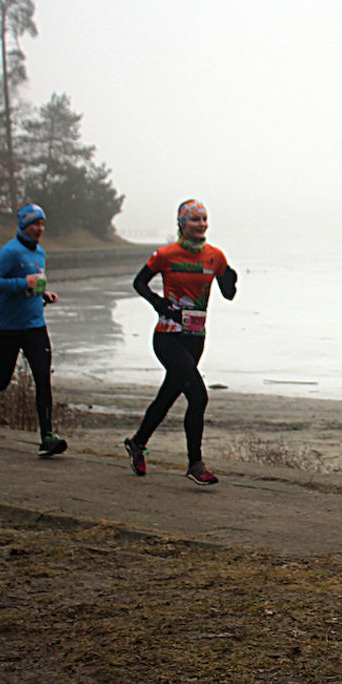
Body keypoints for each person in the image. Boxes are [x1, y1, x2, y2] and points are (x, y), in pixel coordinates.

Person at [123, 199, 237, 486]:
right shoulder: (166, 254)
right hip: (168, 337)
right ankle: (195, 464)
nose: (201, 224)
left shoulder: (216, 256)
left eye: (204, 219)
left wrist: (231, 279)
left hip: (195, 339)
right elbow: (139, 283)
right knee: (198, 396)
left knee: (169, 395)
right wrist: (158, 303)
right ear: (182, 224)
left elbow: (228, 293)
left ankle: (137, 443)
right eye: (195, 219)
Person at [0, 203, 67, 457]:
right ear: (23, 226)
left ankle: (47, 436)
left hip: (36, 327)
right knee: (2, 380)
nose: (39, 229)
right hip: (8, 328)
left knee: (42, 379)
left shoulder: (40, 253)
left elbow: (32, 286)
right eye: (34, 224)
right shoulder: (9, 252)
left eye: (42, 225)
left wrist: (43, 294)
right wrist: (22, 283)